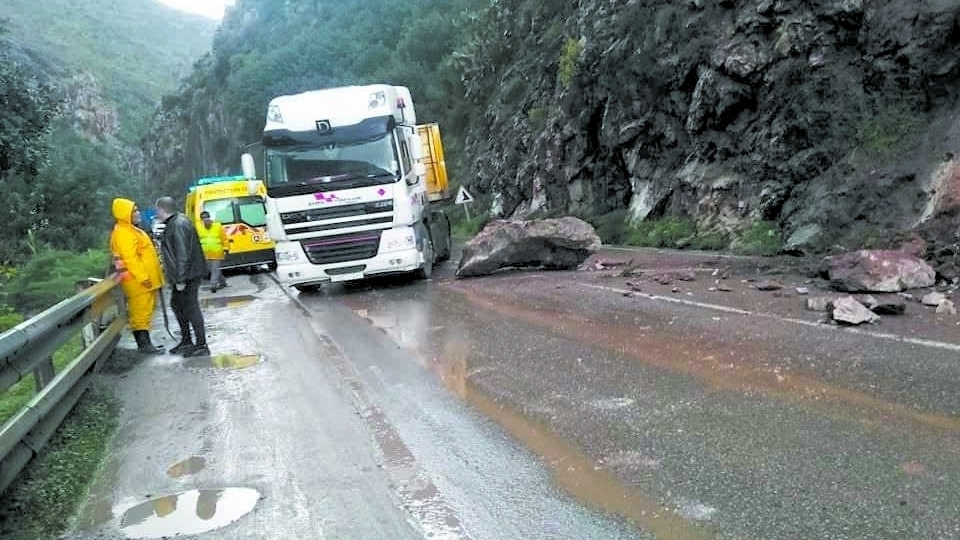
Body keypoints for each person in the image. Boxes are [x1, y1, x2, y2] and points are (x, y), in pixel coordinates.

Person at [155, 196, 210, 357]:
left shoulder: (178, 224)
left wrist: (180, 279)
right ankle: (187, 341)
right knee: (178, 306)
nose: (156, 213)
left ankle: (201, 345)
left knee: (191, 308)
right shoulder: (176, 222)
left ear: (162, 210)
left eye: (157, 210)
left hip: (188, 275)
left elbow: (182, 254)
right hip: (187, 273)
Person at [109, 198, 165, 354]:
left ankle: (146, 343)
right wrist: (143, 277)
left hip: (143, 280)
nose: (138, 213)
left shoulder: (131, 230)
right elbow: (130, 259)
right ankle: (144, 345)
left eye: (137, 209)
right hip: (137, 282)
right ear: (124, 214)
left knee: (145, 311)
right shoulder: (123, 233)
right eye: (134, 211)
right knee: (140, 312)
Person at [198, 210, 229, 292]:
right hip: (205, 253)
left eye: (207, 217)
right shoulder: (199, 228)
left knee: (214, 270)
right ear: (201, 220)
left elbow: (224, 239)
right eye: (204, 218)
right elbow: (196, 241)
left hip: (217, 252)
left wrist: (225, 249)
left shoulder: (217, 226)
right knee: (213, 269)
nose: (206, 219)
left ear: (209, 217)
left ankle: (213, 285)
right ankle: (223, 282)